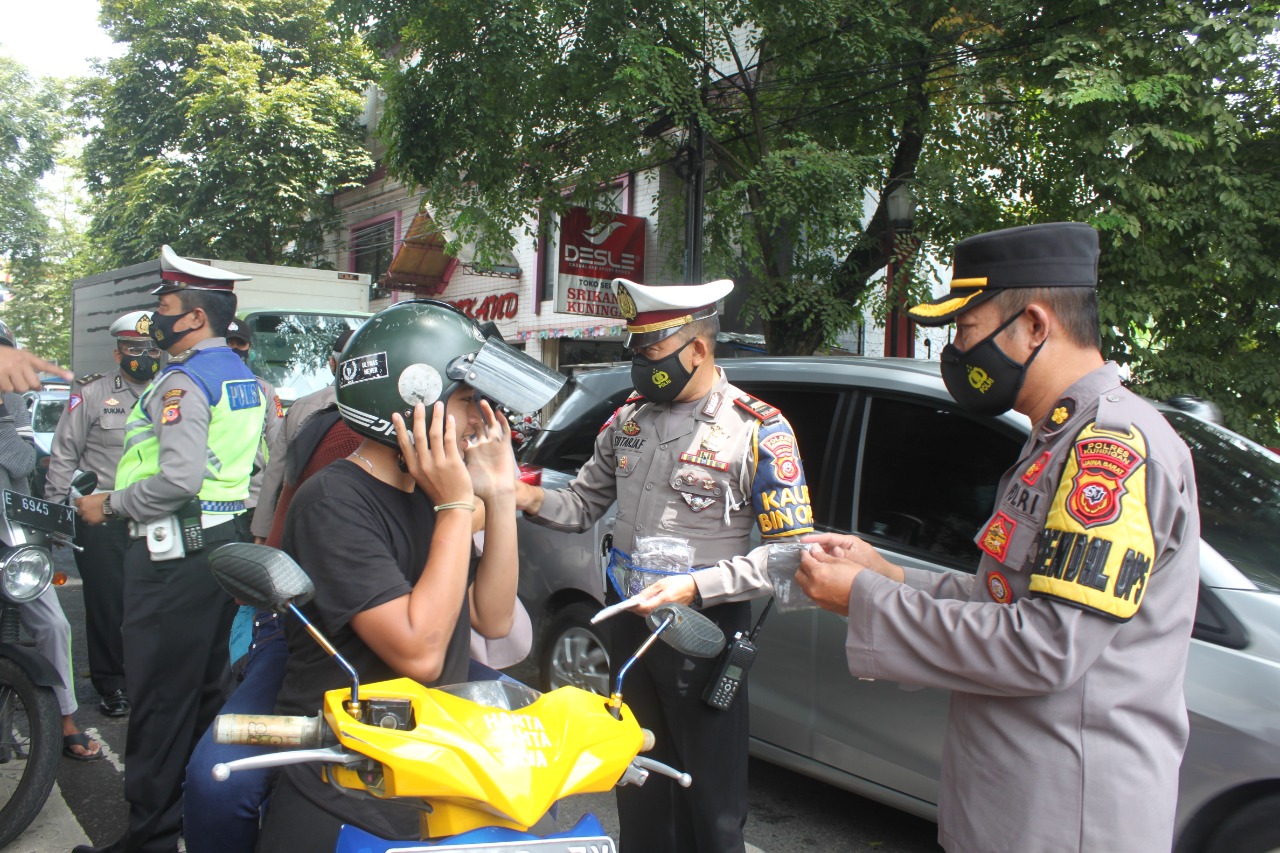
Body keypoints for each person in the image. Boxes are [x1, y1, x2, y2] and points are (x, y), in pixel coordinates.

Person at [795, 222, 1200, 853]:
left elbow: (1045, 645)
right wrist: (891, 576)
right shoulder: (1054, 438)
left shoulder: (1111, 451)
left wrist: (865, 600)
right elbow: (1009, 596)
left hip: (1065, 819)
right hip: (1011, 803)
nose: (955, 352)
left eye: (966, 329)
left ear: (1035, 325)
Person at [513, 278, 814, 853]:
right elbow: (579, 505)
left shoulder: (757, 430)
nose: (639, 365)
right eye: (635, 351)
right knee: (639, 779)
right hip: (629, 621)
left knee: (712, 802)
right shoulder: (629, 419)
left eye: (650, 351)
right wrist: (521, 496)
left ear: (697, 349)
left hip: (702, 633)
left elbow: (789, 555)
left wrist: (695, 588)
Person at [255, 299, 564, 852]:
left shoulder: (430, 489)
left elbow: (491, 618)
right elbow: (419, 652)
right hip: (350, 775)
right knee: (215, 784)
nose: (480, 419)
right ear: (412, 401)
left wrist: (494, 494)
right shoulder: (334, 501)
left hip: (428, 760)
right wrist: (453, 507)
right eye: (469, 400)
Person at [73, 245, 268, 853]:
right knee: (205, 691)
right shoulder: (243, 378)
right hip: (220, 549)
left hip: (172, 556)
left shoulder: (183, 380)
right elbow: (256, 467)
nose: (155, 317)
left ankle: (150, 840)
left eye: (165, 306)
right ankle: (194, 824)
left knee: (159, 699)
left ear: (195, 319)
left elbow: (177, 479)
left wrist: (110, 504)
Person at [43, 311, 158, 718]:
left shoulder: (174, 391)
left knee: (154, 601)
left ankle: (148, 679)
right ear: (117, 353)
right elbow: (63, 454)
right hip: (102, 515)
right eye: (133, 349)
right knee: (108, 604)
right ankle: (112, 684)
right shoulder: (91, 392)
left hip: (155, 512)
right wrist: (56, 512)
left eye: (151, 349)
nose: (143, 356)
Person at [0, 320, 104, 762]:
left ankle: (65, 721)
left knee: (55, 626)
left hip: (15, 538)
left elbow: (22, 461)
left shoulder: (13, 405)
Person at [248, 326, 355, 543]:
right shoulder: (397, 410)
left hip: (299, 525)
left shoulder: (302, 406)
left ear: (332, 363)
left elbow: (275, 475)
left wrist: (262, 531)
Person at [224, 317, 285, 543]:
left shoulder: (264, 390)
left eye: (240, 344)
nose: (234, 349)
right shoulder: (202, 386)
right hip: (212, 503)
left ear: (249, 347)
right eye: (228, 343)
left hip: (251, 501)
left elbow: (279, 446)